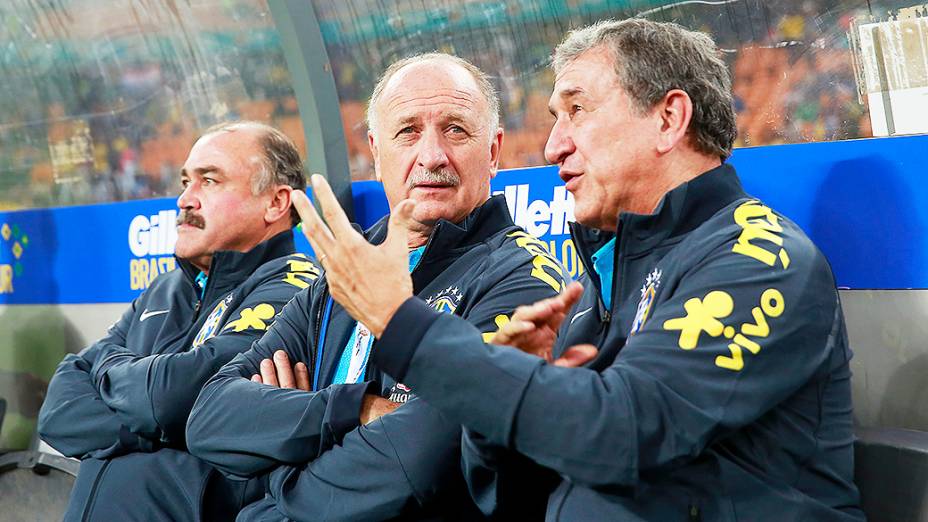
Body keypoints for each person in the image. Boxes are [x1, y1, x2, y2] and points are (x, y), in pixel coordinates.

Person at [297, 19, 865, 521]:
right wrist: (500, 417)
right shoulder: (603, 285)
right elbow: (517, 496)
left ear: (668, 119)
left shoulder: (759, 259)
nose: (551, 146)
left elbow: (622, 433)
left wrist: (399, 323)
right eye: (552, 116)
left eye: (576, 109)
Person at [186, 53, 571, 521]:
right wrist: (356, 407)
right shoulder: (344, 271)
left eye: (456, 130)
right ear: (375, 151)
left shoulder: (521, 277)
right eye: (408, 131)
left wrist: (281, 469)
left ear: (493, 152)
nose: (432, 155)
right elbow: (209, 417)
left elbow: (419, 462)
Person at [38, 121, 318, 521]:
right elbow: (59, 411)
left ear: (275, 203)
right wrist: (157, 425)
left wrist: (114, 374)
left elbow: (171, 397)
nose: (185, 199)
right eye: (186, 182)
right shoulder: (164, 290)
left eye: (210, 181)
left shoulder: (293, 285)